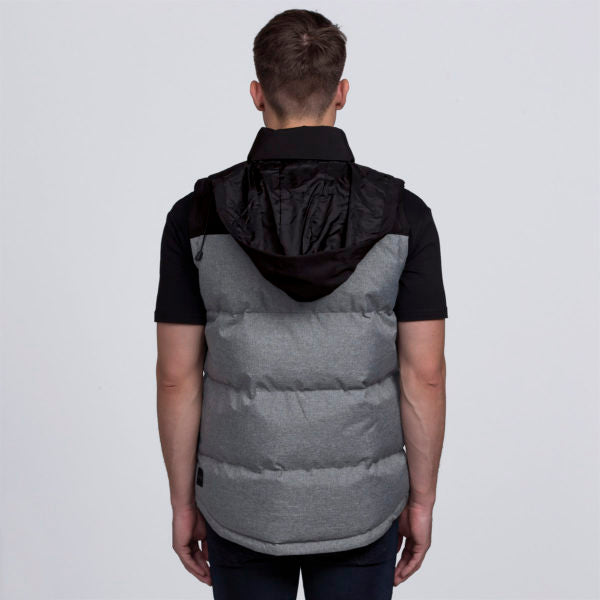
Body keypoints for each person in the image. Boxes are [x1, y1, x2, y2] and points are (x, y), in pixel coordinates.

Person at [154, 8, 447, 600]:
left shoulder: (196, 216)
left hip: (242, 508)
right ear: (342, 93)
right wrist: (421, 500)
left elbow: (176, 376)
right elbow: (425, 374)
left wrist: (183, 503)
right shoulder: (404, 215)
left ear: (257, 94)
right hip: (362, 507)